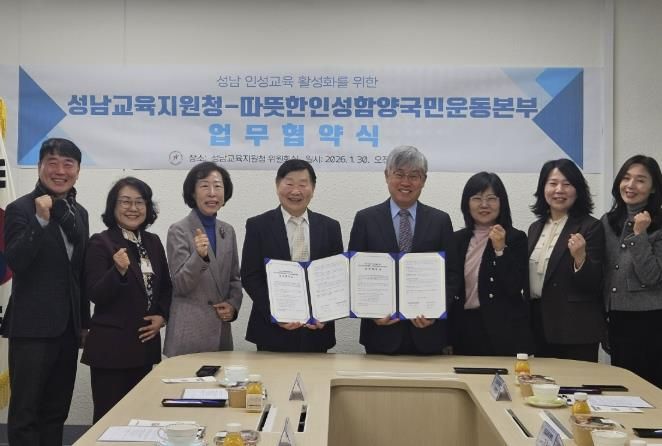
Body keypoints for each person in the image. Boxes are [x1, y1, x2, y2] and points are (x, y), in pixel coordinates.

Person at [1, 138, 89, 445]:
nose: (60, 171)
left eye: (68, 164)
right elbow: (16, 261)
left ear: (78, 170)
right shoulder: (20, 209)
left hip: (68, 329)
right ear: (40, 167)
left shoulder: (79, 213)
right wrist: (40, 221)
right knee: (26, 413)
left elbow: (79, 274)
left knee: (56, 411)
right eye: (52, 163)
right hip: (32, 329)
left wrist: (84, 324)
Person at [348, 145, 460, 355]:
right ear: (387, 175)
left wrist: (436, 311)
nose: (406, 182)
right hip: (381, 334)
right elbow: (353, 273)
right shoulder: (365, 219)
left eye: (414, 176)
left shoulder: (440, 220)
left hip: (429, 335)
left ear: (423, 180)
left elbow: (452, 274)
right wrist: (370, 312)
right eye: (399, 174)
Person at [81, 177, 172, 422]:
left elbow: (166, 287)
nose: (133, 208)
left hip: (144, 346)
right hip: (112, 350)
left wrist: (162, 316)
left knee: (140, 418)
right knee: (109, 419)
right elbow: (95, 293)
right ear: (113, 206)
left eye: (139, 202)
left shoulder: (152, 242)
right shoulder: (100, 242)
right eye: (125, 202)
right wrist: (118, 271)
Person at [241, 159, 343, 352]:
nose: (296, 191)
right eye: (289, 183)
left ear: (313, 188)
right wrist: (276, 313)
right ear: (277, 185)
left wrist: (327, 314)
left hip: (317, 331)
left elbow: (337, 278)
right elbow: (250, 276)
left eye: (303, 184)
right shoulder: (258, 226)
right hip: (271, 331)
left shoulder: (330, 227)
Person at [528, 159, 605, 362]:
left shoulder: (591, 227)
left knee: (577, 382)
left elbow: (594, 283)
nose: (559, 190)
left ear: (578, 190)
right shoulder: (535, 228)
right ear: (543, 188)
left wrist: (580, 257)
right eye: (552, 183)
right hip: (540, 325)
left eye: (567, 184)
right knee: (542, 381)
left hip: (575, 328)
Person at [164, 162, 242, 356]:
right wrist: (199, 256)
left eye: (218, 186)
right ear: (192, 192)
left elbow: (234, 278)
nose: (212, 193)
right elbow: (180, 285)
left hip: (220, 332)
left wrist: (233, 305)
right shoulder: (179, 230)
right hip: (188, 333)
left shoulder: (227, 231)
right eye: (204, 186)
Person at [451, 172, 533, 356]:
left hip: (503, 332)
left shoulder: (515, 238)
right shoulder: (456, 240)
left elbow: (515, 286)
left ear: (501, 202)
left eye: (491, 198)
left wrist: (500, 250)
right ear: (467, 203)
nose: (484, 205)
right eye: (476, 198)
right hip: (464, 330)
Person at [602, 155, 662, 388]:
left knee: (650, 388)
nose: (631, 185)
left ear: (653, 188)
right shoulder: (608, 221)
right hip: (616, 318)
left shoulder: (658, 224)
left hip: (650, 319)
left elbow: (652, 276)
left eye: (640, 180)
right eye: (626, 178)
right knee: (623, 388)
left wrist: (640, 235)